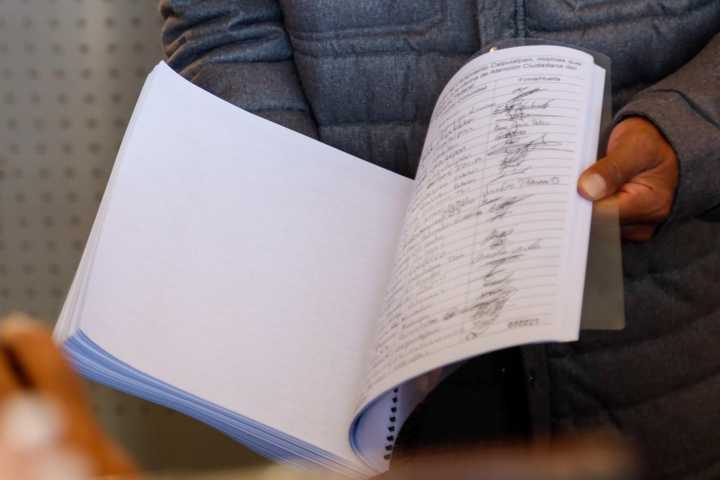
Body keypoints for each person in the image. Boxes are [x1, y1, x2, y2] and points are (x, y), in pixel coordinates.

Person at [158, 2, 720, 478]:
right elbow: (223, 22)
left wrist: (691, 131)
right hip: (371, 350)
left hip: (666, 331)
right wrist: (311, 204)